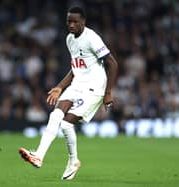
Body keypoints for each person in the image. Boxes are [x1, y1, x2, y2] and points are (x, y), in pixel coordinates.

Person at [19, 6, 118, 180]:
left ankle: (73, 161)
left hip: (94, 88)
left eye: (75, 22)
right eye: (69, 21)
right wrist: (60, 87)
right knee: (55, 115)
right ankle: (39, 156)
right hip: (77, 84)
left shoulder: (92, 38)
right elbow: (75, 68)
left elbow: (112, 63)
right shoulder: (69, 39)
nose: (71, 25)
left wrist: (108, 93)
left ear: (83, 22)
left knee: (65, 124)